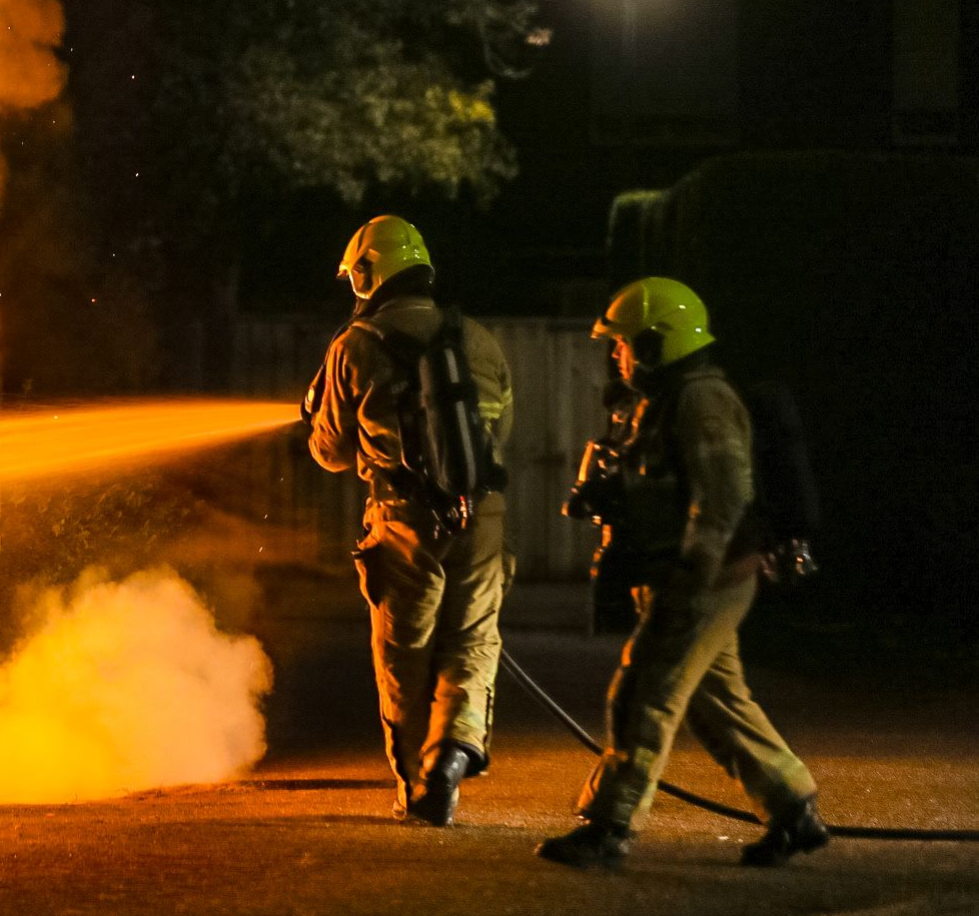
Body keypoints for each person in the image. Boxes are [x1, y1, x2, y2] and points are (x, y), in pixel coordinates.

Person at [537, 277, 828, 868]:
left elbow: (722, 496)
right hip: (689, 577)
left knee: (642, 693)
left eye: (622, 344)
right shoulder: (662, 400)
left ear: (654, 342)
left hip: (705, 580)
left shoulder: (702, 399)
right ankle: (793, 809)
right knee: (716, 701)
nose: (615, 356)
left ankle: (610, 827)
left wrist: (691, 578)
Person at [305, 214, 513, 826]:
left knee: (406, 653)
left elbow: (333, 453)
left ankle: (420, 789)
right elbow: (501, 435)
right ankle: (455, 752)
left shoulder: (355, 344)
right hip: (483, 514)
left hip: (403, 517)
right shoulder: (479, 339)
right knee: (472, 641)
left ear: (370, 273)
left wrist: (315, 412)